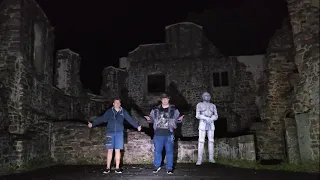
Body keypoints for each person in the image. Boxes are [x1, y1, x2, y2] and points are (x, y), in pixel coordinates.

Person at [88, 98, 141, 174]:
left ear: (120, 104)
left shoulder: (123, 112)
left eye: (118, 103)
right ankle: (107, 168)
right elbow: (102, 118)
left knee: (117, 150)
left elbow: (130, 119)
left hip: (119, 133)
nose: (117, 104)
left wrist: (137, 126)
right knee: (109, 150)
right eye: (116, 103)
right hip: (110, 133)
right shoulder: (109, 111)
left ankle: (117, 168)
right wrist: (93, 124)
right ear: (113, 104)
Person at [144, 93, 184, 174]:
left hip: (169, 133)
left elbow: (177, 120)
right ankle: (156, 166)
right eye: (163, 99)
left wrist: (180, 119)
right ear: (161, 100)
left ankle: (169, 168)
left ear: (168, 99)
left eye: (166, 98)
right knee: (157, 151)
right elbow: (152, 119)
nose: (165, 100)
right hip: (158, 134)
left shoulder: (174, 109)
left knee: (169, 151)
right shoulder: (155, 109)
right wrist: (149, 119)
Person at [195, 92, 218, 165]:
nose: (207, 97)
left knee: (211, 141)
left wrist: (211, 119)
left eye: (208, 95)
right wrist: (205, 118)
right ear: (202, 97)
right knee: (201, 141)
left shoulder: (213, 105)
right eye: (205, 96)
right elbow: (197, 115)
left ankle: (211, 158)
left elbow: (216, 115)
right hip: (203, 123)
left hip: (211, 123)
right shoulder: (199, 104)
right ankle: (199, 159)